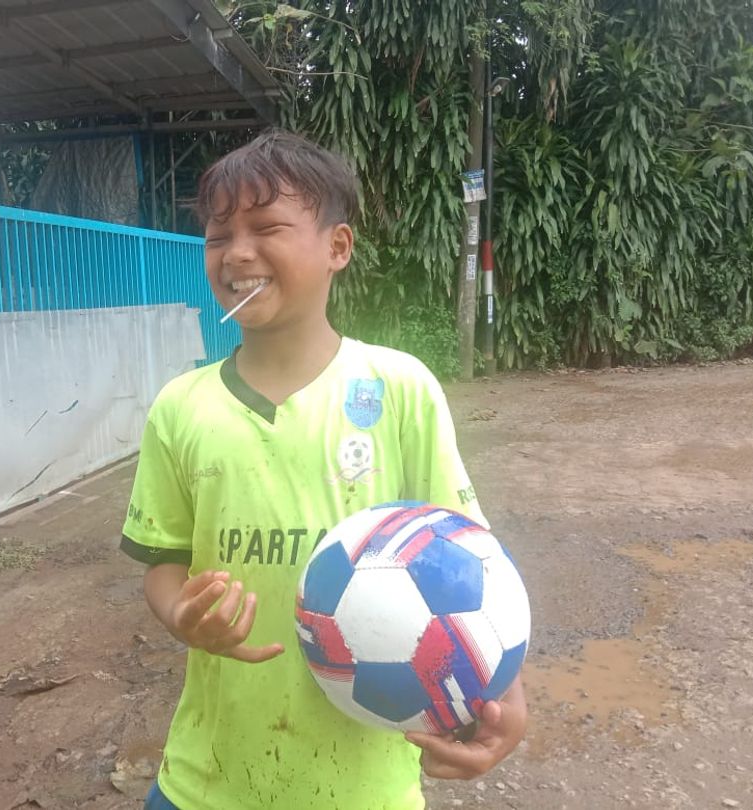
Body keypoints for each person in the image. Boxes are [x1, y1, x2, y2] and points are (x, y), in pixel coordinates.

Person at [120, 130, 527, 809]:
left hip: (364, 787)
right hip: (206, 781)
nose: (237, 252)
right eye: (218, 236)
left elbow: (471, 569)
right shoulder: (180, 408)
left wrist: (507, 694)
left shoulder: (399, 388)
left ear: (338, 247)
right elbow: (165, 563)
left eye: (266, 228)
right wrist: (180, 616)